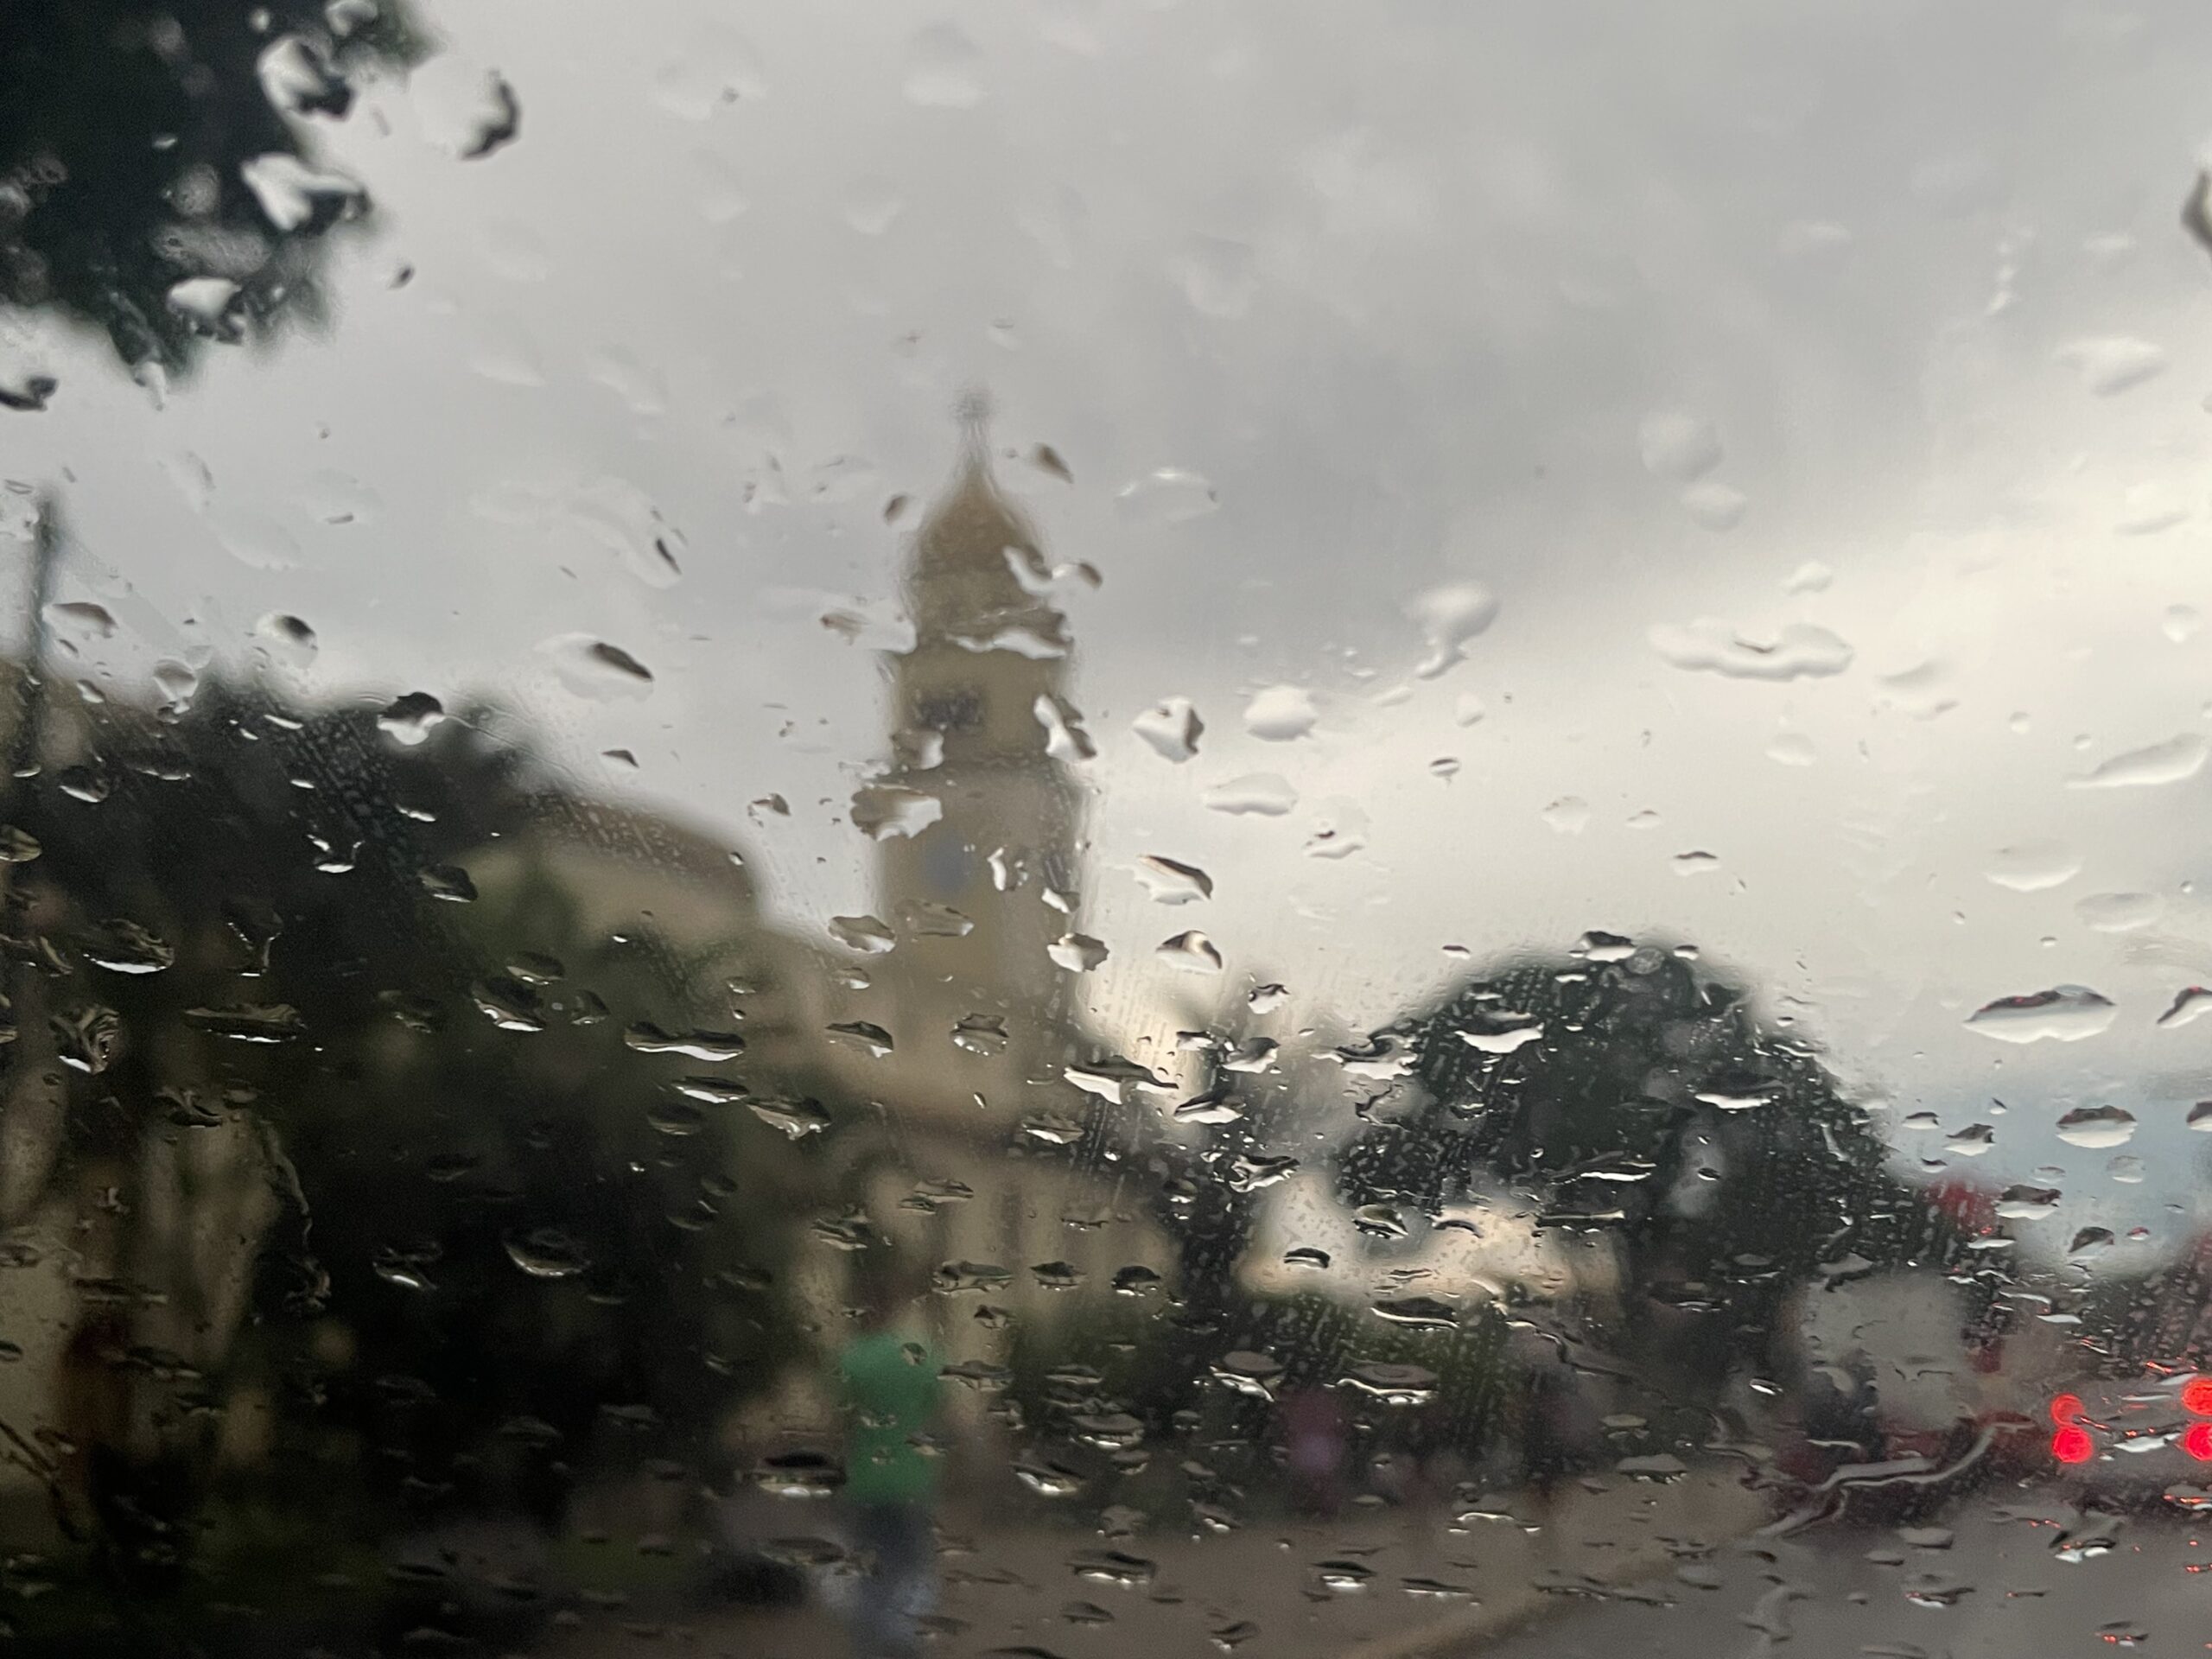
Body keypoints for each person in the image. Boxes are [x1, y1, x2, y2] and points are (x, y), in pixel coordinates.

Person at [836, 1255, 944, 1659]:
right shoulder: (919, 1355)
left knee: (869, 1567)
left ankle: (870, 1646)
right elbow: (940, 1419)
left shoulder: (852, 1358)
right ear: (894, 1305)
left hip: (865, 1482)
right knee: (914, 1566)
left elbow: (840, 1428)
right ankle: (905, 1643)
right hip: (914, 1482)